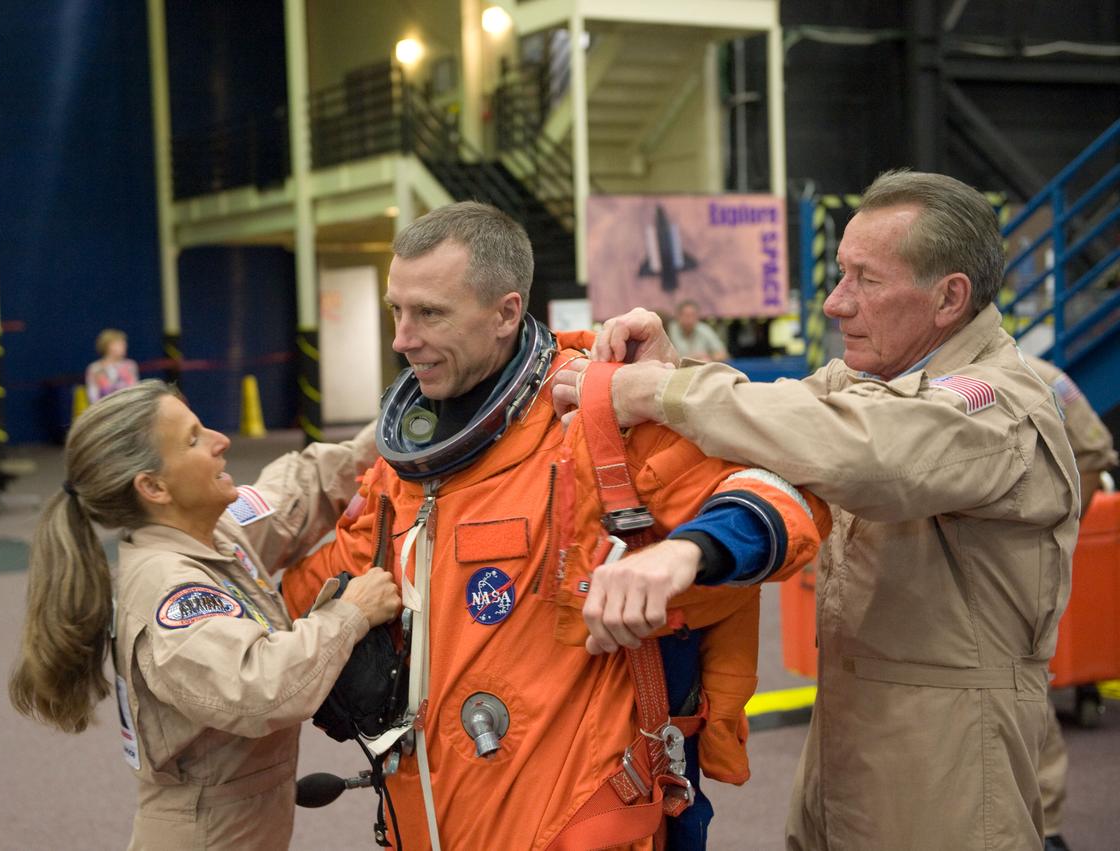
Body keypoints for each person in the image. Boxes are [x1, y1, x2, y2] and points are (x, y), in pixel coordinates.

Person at [553, 170, 1080, 851]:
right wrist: (673, 369)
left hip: (949, 759)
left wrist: (659, 392)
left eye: (866, 280)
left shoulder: (996, 404)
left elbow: (864, 449)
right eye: (840, 274)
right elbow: (780, 413)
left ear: (949, 297)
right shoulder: (872, 380)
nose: (835, 303)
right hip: (847, 738)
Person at [280, 202, 829, 850]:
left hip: (569, 820)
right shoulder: (404, 466)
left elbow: (784, 496)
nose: (402, 338)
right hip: (427, 819)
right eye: (396, 310)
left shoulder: (598, 421)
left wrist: (684, 552)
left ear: (506, 313)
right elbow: (312, 592)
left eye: (429, 313)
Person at [8, 380, 400, 850]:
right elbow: (260, 687)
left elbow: (304, 484)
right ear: (153, 487)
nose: (221, 440)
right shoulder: (167, 587)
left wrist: (400, 423)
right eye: (194, 439)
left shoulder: (215, 535)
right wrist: (351, 613)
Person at [1024, 354, 1117, 851]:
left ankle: (1046, 827)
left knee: (1018, 682)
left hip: (1018, 559)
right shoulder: (1037, 369)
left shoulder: (1025, 374)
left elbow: (1093, 450)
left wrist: (1053, 519)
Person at [85, 328, 140, 402]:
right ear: (108, 346)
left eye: (124, 344)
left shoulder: (130, 365)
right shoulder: (95, 368)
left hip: (127, 406)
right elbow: (93, 395)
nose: (125, 347)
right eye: (120, 344)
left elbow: (134, 391)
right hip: (105, 407)